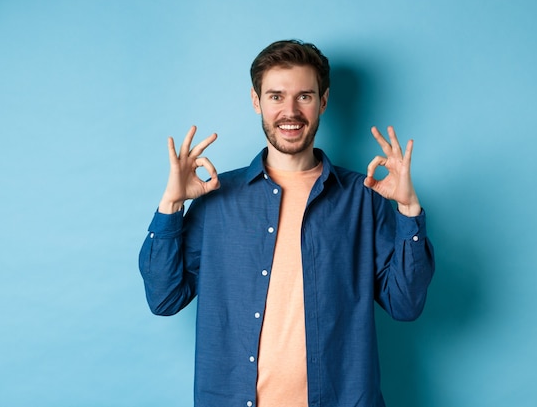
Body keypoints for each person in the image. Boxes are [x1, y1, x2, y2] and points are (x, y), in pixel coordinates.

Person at [139, 39, 435, 407]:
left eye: (304, 96)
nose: (290, 111)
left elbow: (405, 305)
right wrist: (171, 205)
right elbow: (164, 298)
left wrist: (408, 212)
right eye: (276, 96)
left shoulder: (364, 197)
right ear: (256, 100)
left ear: (323, 101)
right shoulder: (215, 199)